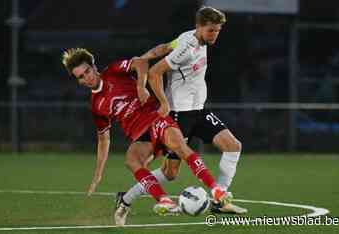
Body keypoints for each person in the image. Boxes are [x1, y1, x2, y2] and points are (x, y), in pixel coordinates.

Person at [61, 48, 232, 226]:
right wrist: (98, 174)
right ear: (78, 81)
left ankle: (216, 189)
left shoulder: (113, 71)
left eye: (87, 71)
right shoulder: (96, 105)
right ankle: (164, 200)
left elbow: (141, 62)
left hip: (155, 117)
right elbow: (104, 139)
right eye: (80, 77)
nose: (86, 77)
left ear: (94, 66)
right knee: (132, 160)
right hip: (140, 135)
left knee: (179, 148)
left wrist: (140, 86)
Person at [115, 6, 247, 224]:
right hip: (179, 115)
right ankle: (126, 198)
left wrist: (143, 57)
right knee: (170, 173)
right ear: (199, 27)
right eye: (211, 30)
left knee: (233, 145)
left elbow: (164, 47)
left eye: (218, 30)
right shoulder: (186, 47)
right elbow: (156, 73)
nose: (215, 35)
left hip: (200, 111)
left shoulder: (189, 37)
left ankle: (219, 199)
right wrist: (164, 102)